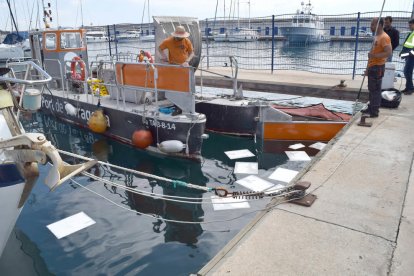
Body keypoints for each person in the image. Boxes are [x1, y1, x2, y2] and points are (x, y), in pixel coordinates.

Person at [363, 17, 392, 118]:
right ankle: (371, 107)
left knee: (375, 90)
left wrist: (374, 56)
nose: (371, 27)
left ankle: (374, 111)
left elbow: (388, 52)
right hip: (372, 66)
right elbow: (372, 53)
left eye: (373, 25)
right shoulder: (376, 36)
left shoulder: (384, 37)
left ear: (379, 25)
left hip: (378, 67)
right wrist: (367, 69)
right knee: (372, 89)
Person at [400, 19, 414, 95]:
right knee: (408, 72)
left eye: (410, 25)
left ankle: (410, 88)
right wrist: (402, 53)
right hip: (409, 55)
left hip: (411, 56)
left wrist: (405, 54)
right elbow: (407, 44)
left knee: (407, 71)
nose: (409, 26)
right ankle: (408, 87)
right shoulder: (412, 33)